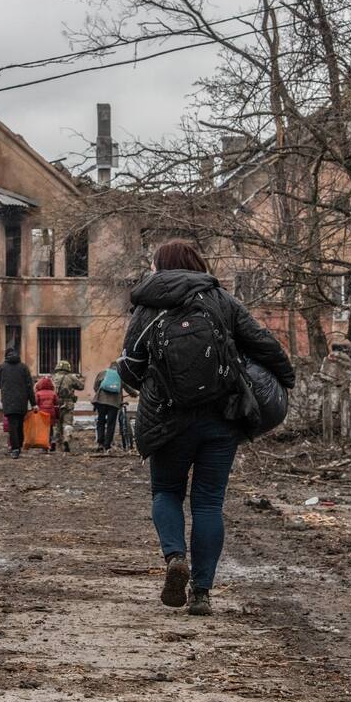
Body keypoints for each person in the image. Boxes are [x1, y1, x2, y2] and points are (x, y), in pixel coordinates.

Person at [119, 240, 294, 616]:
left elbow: (131, 365)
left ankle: (174, 558)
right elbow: (261, 343)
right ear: (196, 263)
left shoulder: (148, 306)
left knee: (166, 491)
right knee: (209, 502)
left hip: (168, 418)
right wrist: (285, 379)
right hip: (221, 416)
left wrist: (148, 380)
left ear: (159, 267)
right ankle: (201, 592)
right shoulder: (220, 299)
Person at [0, 346, 35, 458]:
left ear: (6, 356)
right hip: (22, 400)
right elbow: (29, 386)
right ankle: (19, 445)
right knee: (20, 423)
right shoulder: (24, 367)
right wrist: (34, 403)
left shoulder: (1, 367)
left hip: (8, 400)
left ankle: (15, 448)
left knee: (12, 424)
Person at [49, 360, 85, 453]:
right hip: (68, 403)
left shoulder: (53, 378)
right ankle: (66, 439)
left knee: (57, 424)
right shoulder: (71, 377)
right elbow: (81, 387)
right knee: (67, 423)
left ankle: (56, 444)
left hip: (56, 403)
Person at [92, 362, 123, 453]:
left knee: (100, 421)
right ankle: (107, 445)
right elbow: (128, 388)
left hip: (100, 401)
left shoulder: (102, 373)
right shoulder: (120, 376)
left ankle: (100, 443)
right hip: (113, 404)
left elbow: (95, 387)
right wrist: (134, 394)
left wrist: (101, 393)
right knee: (111, 424)